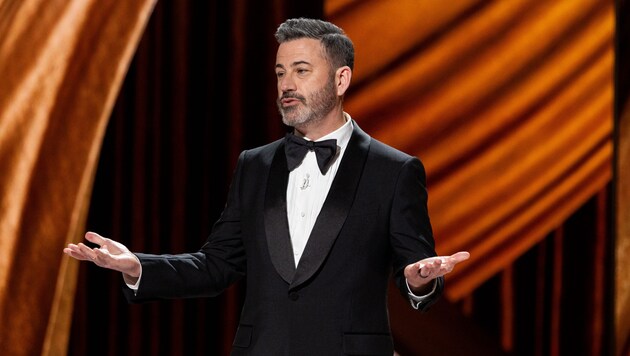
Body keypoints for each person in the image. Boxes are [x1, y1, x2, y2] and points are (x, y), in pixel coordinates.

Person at [64, 18, 470, 355]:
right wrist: (138, 266)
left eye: (301, 70)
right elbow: (217, 264)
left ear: (341, 78)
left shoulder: (394, 170)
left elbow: (416, 269)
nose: (286, 84)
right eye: (280, 72)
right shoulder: (255, 165)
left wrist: (420, 279)